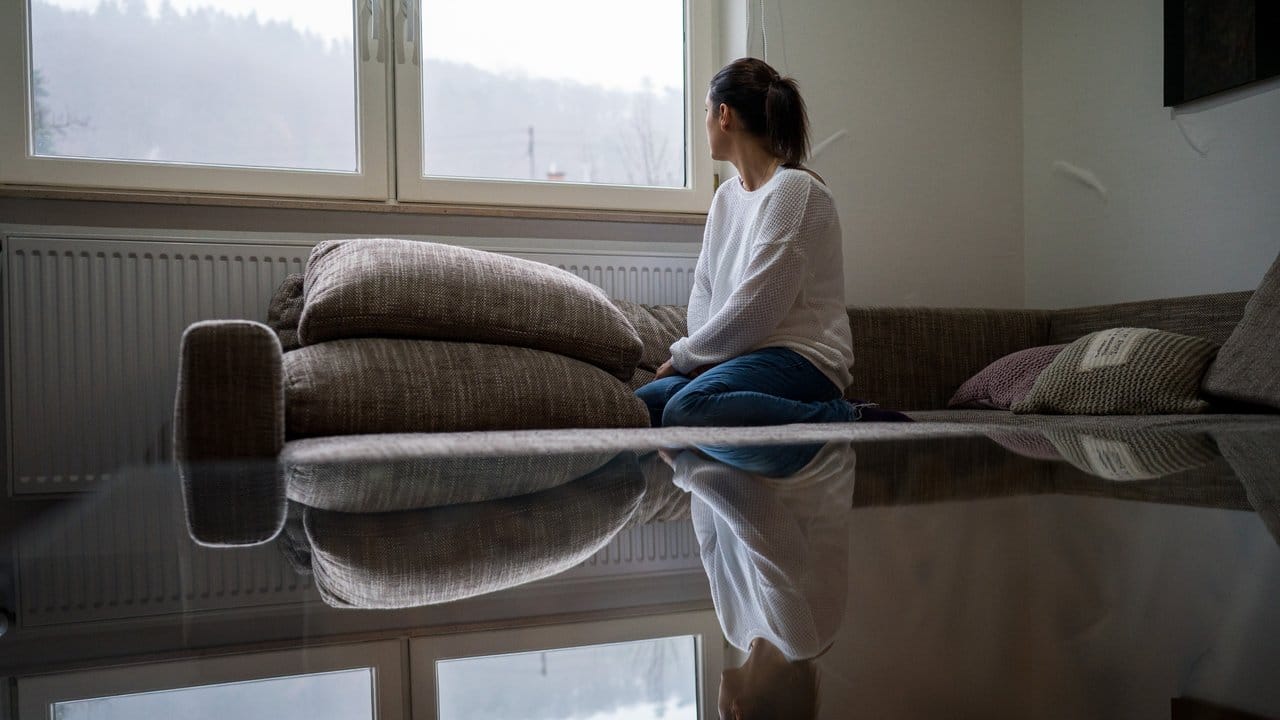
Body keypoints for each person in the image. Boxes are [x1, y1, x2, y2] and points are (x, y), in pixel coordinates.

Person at [637, 57, 876, 428]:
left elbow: (759, 306)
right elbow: (705, 288)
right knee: (644, 404)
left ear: (724, 115)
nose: (705, 123)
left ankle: (847, 414)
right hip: (741, 358)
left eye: (705, 112)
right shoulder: (726, 197)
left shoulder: (796, 190)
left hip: (802, 358)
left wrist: (686, 357)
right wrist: (704, 358)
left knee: (685, 408)